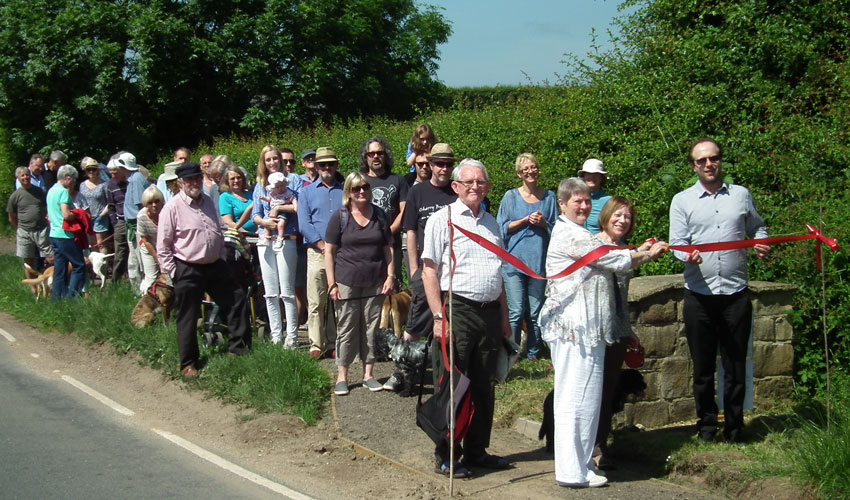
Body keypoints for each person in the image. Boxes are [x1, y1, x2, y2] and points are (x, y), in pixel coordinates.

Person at [539, 177, 665, 488]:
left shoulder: (583, 233)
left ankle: (582, 465)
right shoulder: (568, 233)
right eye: (576, 201)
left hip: (592, 332)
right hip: (571, 331)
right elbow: (609, 258)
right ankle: (569, 470)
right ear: (563, 205)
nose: (583, 206)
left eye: (586, 201)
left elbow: (612, 252)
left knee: (589, 399)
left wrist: (640, 249)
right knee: (573, 399)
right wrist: (647, 254)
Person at [669, 137, 770, 444]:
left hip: (736, 295)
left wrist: (761, 243)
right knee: (702, 369)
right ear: (693, 166)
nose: (709, 164)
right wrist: (688, 254)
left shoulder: (741, 195)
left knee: (736, 365)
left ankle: (736, 428)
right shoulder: (682, 200)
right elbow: (676, 244)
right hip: (699, 296)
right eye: (701, 161)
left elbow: (757, 228)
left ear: (720, 161)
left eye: (713, 158)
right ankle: (707, 427)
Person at [420, 158, 511, 477]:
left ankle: (477, 450)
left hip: (489, 313)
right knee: (454, 385)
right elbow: (428, 270)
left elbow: (498, 274)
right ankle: (447, 452)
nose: (476, 187)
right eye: (469, 182)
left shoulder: (492, 223)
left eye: (481, 182)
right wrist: (437, 316)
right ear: (456, 186)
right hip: (455, 309)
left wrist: (505, 319)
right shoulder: (441, 220)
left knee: (484, 385)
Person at [157, 163, 251, 378]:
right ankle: (188, 364)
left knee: (237, 299)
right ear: (180, 183)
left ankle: (238, 348)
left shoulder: (208, 201)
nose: (195, 183)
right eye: (189, 180)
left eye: (197, 178)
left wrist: (219, 255)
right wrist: (173, 271)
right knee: (188, 315)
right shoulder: (172, 208)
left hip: (214, 265)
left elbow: (215, 229)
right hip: (187, 267)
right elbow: (163, 244)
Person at [384, 143, 458, 392]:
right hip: (426, 272)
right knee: (415, 325)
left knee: (449, 323)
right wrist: (414, 269)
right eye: (439, 163)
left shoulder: (458, 191)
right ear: (430, 165)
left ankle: (445, 374)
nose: (443, 168)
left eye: (448, 163)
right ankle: (402, 373)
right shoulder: (418, 192)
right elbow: (411, 232)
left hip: (453, 273)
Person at [593, 196, 658, 470]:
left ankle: (600, 444)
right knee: (593, 392)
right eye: (617, 215)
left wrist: (627, 329)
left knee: (608, 392)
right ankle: (588, 448)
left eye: (628, 217)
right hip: (596, 330)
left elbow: (622, 288)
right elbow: (617, 262)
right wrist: (645, 255)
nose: (622, 221)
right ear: (606, 216)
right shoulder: (595, 245)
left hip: (617, 330)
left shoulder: (621, 248)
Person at [325, 172, 394, 395]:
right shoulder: (340, 217)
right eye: (356, 188)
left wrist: (391, 276)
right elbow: (329, 251)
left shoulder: (380, 215)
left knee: (371, 329)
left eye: (364, 187)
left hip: (375, 280)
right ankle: (342, 376)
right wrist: (332, 283)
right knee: (347, 328)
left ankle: (368, 375)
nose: (361, 191)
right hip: (346, 281)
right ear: (349, 192)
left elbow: (388, 249)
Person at [496, 153, 558, 361]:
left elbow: (558, 232)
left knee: (535, 312)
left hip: (538, 263)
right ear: (519, 174)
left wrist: (543, 224)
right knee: (516, 311)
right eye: (525, 169)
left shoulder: (549, 198)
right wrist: (523, 221)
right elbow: (500, 229)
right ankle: (511, 352)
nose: (530, 172)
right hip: (513, 264)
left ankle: (533, 353)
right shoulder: (510, 197)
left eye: (533, 167)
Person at [297, 147, 343, 358]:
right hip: (316, 251)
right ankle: (316, 344)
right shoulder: (306, 191)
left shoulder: (344, 191)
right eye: (322, 164)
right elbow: (304, 223)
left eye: (330, 164)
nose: (326, 167)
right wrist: (322, 245)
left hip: (341, 253)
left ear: (336, 166)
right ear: (316, 167)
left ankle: (334, 342)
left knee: (337, 298)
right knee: (316, 300)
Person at [252, 164, 300, 348]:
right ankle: (276, 335)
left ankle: (292, 337)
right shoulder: (260, 186)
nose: (271, 162)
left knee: (287, 292)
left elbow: (297, 207)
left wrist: (279, 210)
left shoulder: (292, 182)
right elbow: (255, 214)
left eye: (275, 159)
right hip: (266, 240)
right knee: (270, 292)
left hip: (286, 238)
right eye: (268, 159)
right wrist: (264, 222)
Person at [359, 137, 407, 281]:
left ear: (385, 155)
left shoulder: (398, 180)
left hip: (392, 243)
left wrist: (387, 233)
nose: (375, 156)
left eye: (379, 153)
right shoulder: (359, 181)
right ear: (365, 157)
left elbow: (404, 212)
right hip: (365, 244)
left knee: (392, 286)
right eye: (371, 153)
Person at [46, 165, 88, 299]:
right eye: (73, 180)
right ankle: (72, 297)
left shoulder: (51, 191)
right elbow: (66, 214)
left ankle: (56, 298)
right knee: (79, 265)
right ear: (66, 177)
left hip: (53, 234)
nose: (74, 183)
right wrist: (77, 214)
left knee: (60, 269)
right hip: (65, 235)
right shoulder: (63, 192)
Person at [7, 166, 52, 272]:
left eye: (27, 174)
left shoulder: (39, 192)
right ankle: (32, 287)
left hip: (42, 230)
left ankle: (47, 282)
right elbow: (11, 217)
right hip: (24, 231)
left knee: (50, 257)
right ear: (18, 178)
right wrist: (19, 229)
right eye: (22, 175)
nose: (25, 177)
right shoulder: (15, 196)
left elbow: (46, 209)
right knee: (28, 260)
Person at [119, 152, 148, 294]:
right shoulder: (133, 179)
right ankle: (136, 291)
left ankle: (142, 292)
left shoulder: (136, 180)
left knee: (140, 261)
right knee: (133, 261)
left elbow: (141, 205)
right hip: (132, 226)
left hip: (136, 226)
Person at [136, 185, 165, 294]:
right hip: (149, 246)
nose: (154, 205)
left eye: (157, 201)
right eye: (150, 202)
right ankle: (149, 302)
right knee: (151, 278)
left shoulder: (167, 211)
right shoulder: (141, 216)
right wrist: (157, 258)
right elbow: (145, 240)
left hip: (167, 245)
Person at [78, 157, 110, 252]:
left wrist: (102, 215)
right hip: (87, 218)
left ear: (97, 171)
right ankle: (95, 265)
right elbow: (81, 202)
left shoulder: (104, 184)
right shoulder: (82, 185)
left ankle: (104, 264)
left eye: (93, 169)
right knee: (92, 244)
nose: (91, 171)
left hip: (100, 217)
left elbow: (110, 202)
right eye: (89, 169)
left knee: (100, 243)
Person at [105, 157, 130, 283]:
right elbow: (111, 206)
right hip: (120, 221)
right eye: (111, 173)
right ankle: (116, 282)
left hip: (132, 220)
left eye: (115, 172)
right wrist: (115, 223)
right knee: (119, 254)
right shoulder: (111, 184)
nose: (113, 175)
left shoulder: (131, 181)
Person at [259, 172, 295, 245]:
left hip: (283, 211)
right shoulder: (273, 193)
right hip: (272, 211)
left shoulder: (288, 192)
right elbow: (270, 199)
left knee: (281, 224)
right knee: (267, 225)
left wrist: (292, 202)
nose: (280, 188)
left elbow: (293, 200)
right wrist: (264, 198)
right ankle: (266, 238)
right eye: (277, 187)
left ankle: (280, 238)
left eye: (282, 186)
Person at [219, 165, 256, 234]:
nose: (236, 181)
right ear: (227, 181)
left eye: (239, 178)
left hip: (258, 235)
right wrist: (246, 233)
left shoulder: (251, 195)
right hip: (239, 236)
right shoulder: (225, 197)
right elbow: (228, 222)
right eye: (232, 178)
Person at [578, 158, 611, 234]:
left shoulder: (609, 202)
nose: (592, 177)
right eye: (588, 174)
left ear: (601, 178)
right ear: (584, 176)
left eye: (596, 174)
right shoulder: (575, 199)